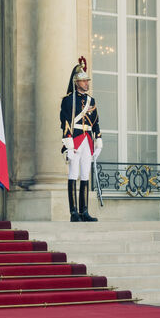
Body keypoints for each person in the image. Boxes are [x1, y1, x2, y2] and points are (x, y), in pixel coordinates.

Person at [59, 56, 102, 222]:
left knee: (85, 174)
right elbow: (66, 122)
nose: (86, 83)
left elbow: (96, 122)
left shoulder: (92, 100)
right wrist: (68, 145)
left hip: (88, 140)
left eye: (87, 81)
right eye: (83, 81)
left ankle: (84, 211)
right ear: (76, 82)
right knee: (73, 174)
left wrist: (98, 141)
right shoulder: (68, 100)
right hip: (75, 139)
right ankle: (73, 212)